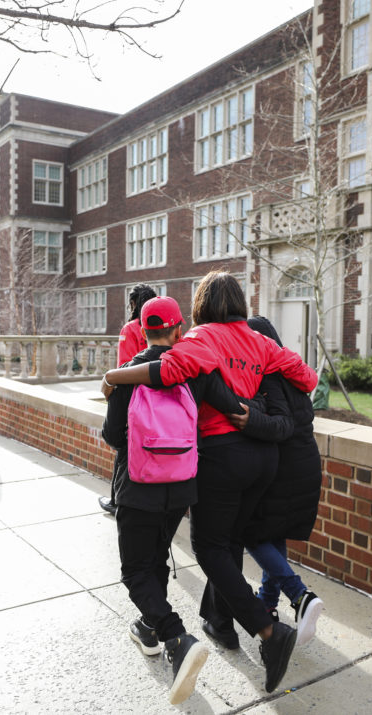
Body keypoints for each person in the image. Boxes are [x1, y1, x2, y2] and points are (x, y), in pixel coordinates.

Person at [102, 271, 319, 694]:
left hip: (221, 456)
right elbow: (307, 379)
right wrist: (252, 405)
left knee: (209, 548)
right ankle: (222, 623)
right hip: (262, 458)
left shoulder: (201, 339)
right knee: (230, 543)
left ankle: (269, 631)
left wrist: (113, 378)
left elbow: (166, 370)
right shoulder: (261, 341)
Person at [102, 296, 248, 705]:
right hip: (181, 485)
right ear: (179, 329)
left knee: (135, 571)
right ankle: (149, 631)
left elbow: (114, 436)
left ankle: (176, 638)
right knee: (155, 561)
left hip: (137, 486)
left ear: (142, 330)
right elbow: (232, 407)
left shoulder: (127, 375)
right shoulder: (193, 371)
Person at [205, 316, 325, 649]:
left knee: (248, 534)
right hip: (305, 464)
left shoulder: (269, 375)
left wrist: (248, 419)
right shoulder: (293, 371)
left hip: (282, 468)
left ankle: (299, 594)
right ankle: (268, 602)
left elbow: (280, 424)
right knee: (272, 534)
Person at [99, 283, 158, 515]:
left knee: (125, 450)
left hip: (135, 396)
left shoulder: (131, 328)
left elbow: (124, 367)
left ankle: (116, 500)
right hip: (160, 395)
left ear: (134, 304)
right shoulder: (164, 329)